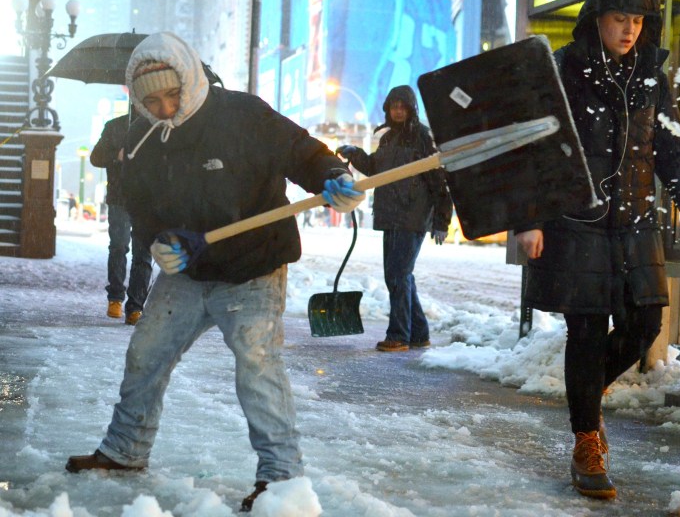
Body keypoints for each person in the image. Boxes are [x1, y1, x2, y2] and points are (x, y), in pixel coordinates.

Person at [65, 32, 365, 513]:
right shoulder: (139, 138)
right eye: (151, 100)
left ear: (189, 81)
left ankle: (281, 478)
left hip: (253, 268)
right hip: (188, 273)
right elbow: (140, 207)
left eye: (171, 95)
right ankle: (124, 450)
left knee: (257, 366)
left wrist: (331, 173)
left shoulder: (242, 115)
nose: (163, 108)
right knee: (145, 354)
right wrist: (160, 242)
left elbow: (299, 150)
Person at [513, 0, 680, 500]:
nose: (629, 30)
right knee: (585, 331)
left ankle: (586, 398)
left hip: (634, 221)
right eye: (619, 19)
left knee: (647, 320)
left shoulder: (651, 74)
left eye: (637, 21)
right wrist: (529, 219)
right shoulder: (563, 69)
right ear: (597, 18)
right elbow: (533, 149)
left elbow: (670, 148)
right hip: (575, 223)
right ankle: (587, 443)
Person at [337, 85, 452, 352]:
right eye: (394, 106)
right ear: (388, 108)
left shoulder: (422, 137)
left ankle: (399, 335)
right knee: (400, 276)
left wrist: (441, 221)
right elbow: (375, 169)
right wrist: (354, 153)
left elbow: (438, 181)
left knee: (398, 276)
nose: (398, 111)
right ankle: (419, 332)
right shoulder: (387, 139)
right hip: (391, 215)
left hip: (412, 216)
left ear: (411, 109)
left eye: (403, 106)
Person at [90, 111, 153, 325]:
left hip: (148, 199)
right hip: (120, 197)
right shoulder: (116, 126)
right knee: (118, 246)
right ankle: (115, 297)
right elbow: (96, 157)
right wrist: (117, 155)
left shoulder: (159, 127)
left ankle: (136, 306)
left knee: (143, 253)